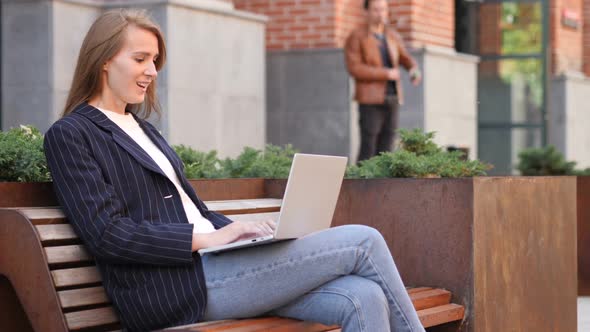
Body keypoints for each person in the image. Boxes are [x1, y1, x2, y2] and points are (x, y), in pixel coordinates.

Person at [43, 9, 426, 332]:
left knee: (363, 297)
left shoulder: (143, 129)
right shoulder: (72, 135)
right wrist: (206, 239)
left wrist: (248, 236)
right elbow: (108, 234)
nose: (153, 71)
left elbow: (190, 210)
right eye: (140, 59)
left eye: (155, 61)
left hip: (220, 265)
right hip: (178, 286)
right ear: (105, 58)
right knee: (364, 241)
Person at [345, 0, 422, 163]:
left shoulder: (392, 36)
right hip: (370, 100)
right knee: (368, 148)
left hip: (392, 98)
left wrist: (413, 70)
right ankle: (362, 186)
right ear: (366, 12)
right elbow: (354, 68)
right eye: (376, 9)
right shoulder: (357, 36)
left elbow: (405, 58)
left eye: (383, 9)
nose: (380, 13)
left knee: (387, 149)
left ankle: (382, 186)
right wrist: (385, 73)